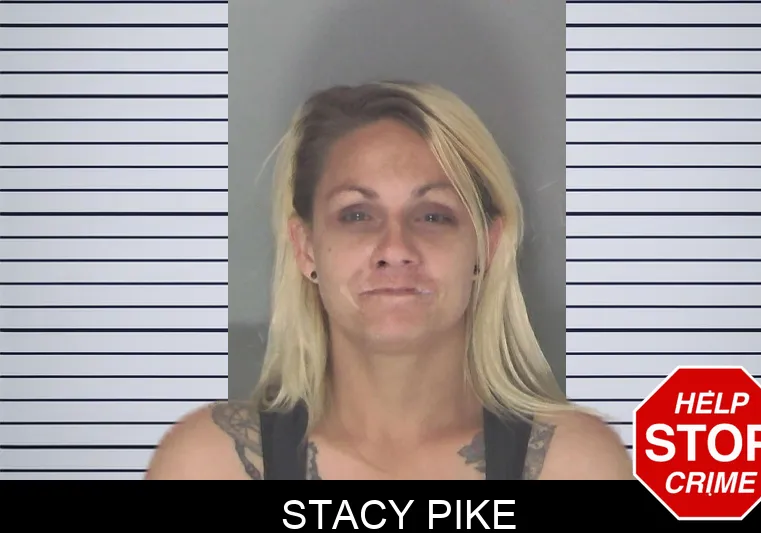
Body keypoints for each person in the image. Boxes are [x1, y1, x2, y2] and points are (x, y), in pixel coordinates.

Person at [145, 80, 632, 480]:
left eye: (433, 215)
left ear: (485, 247)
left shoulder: (575, 465)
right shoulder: (207, 465)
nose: (395, 248)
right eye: (357, 215)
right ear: (305, 247)